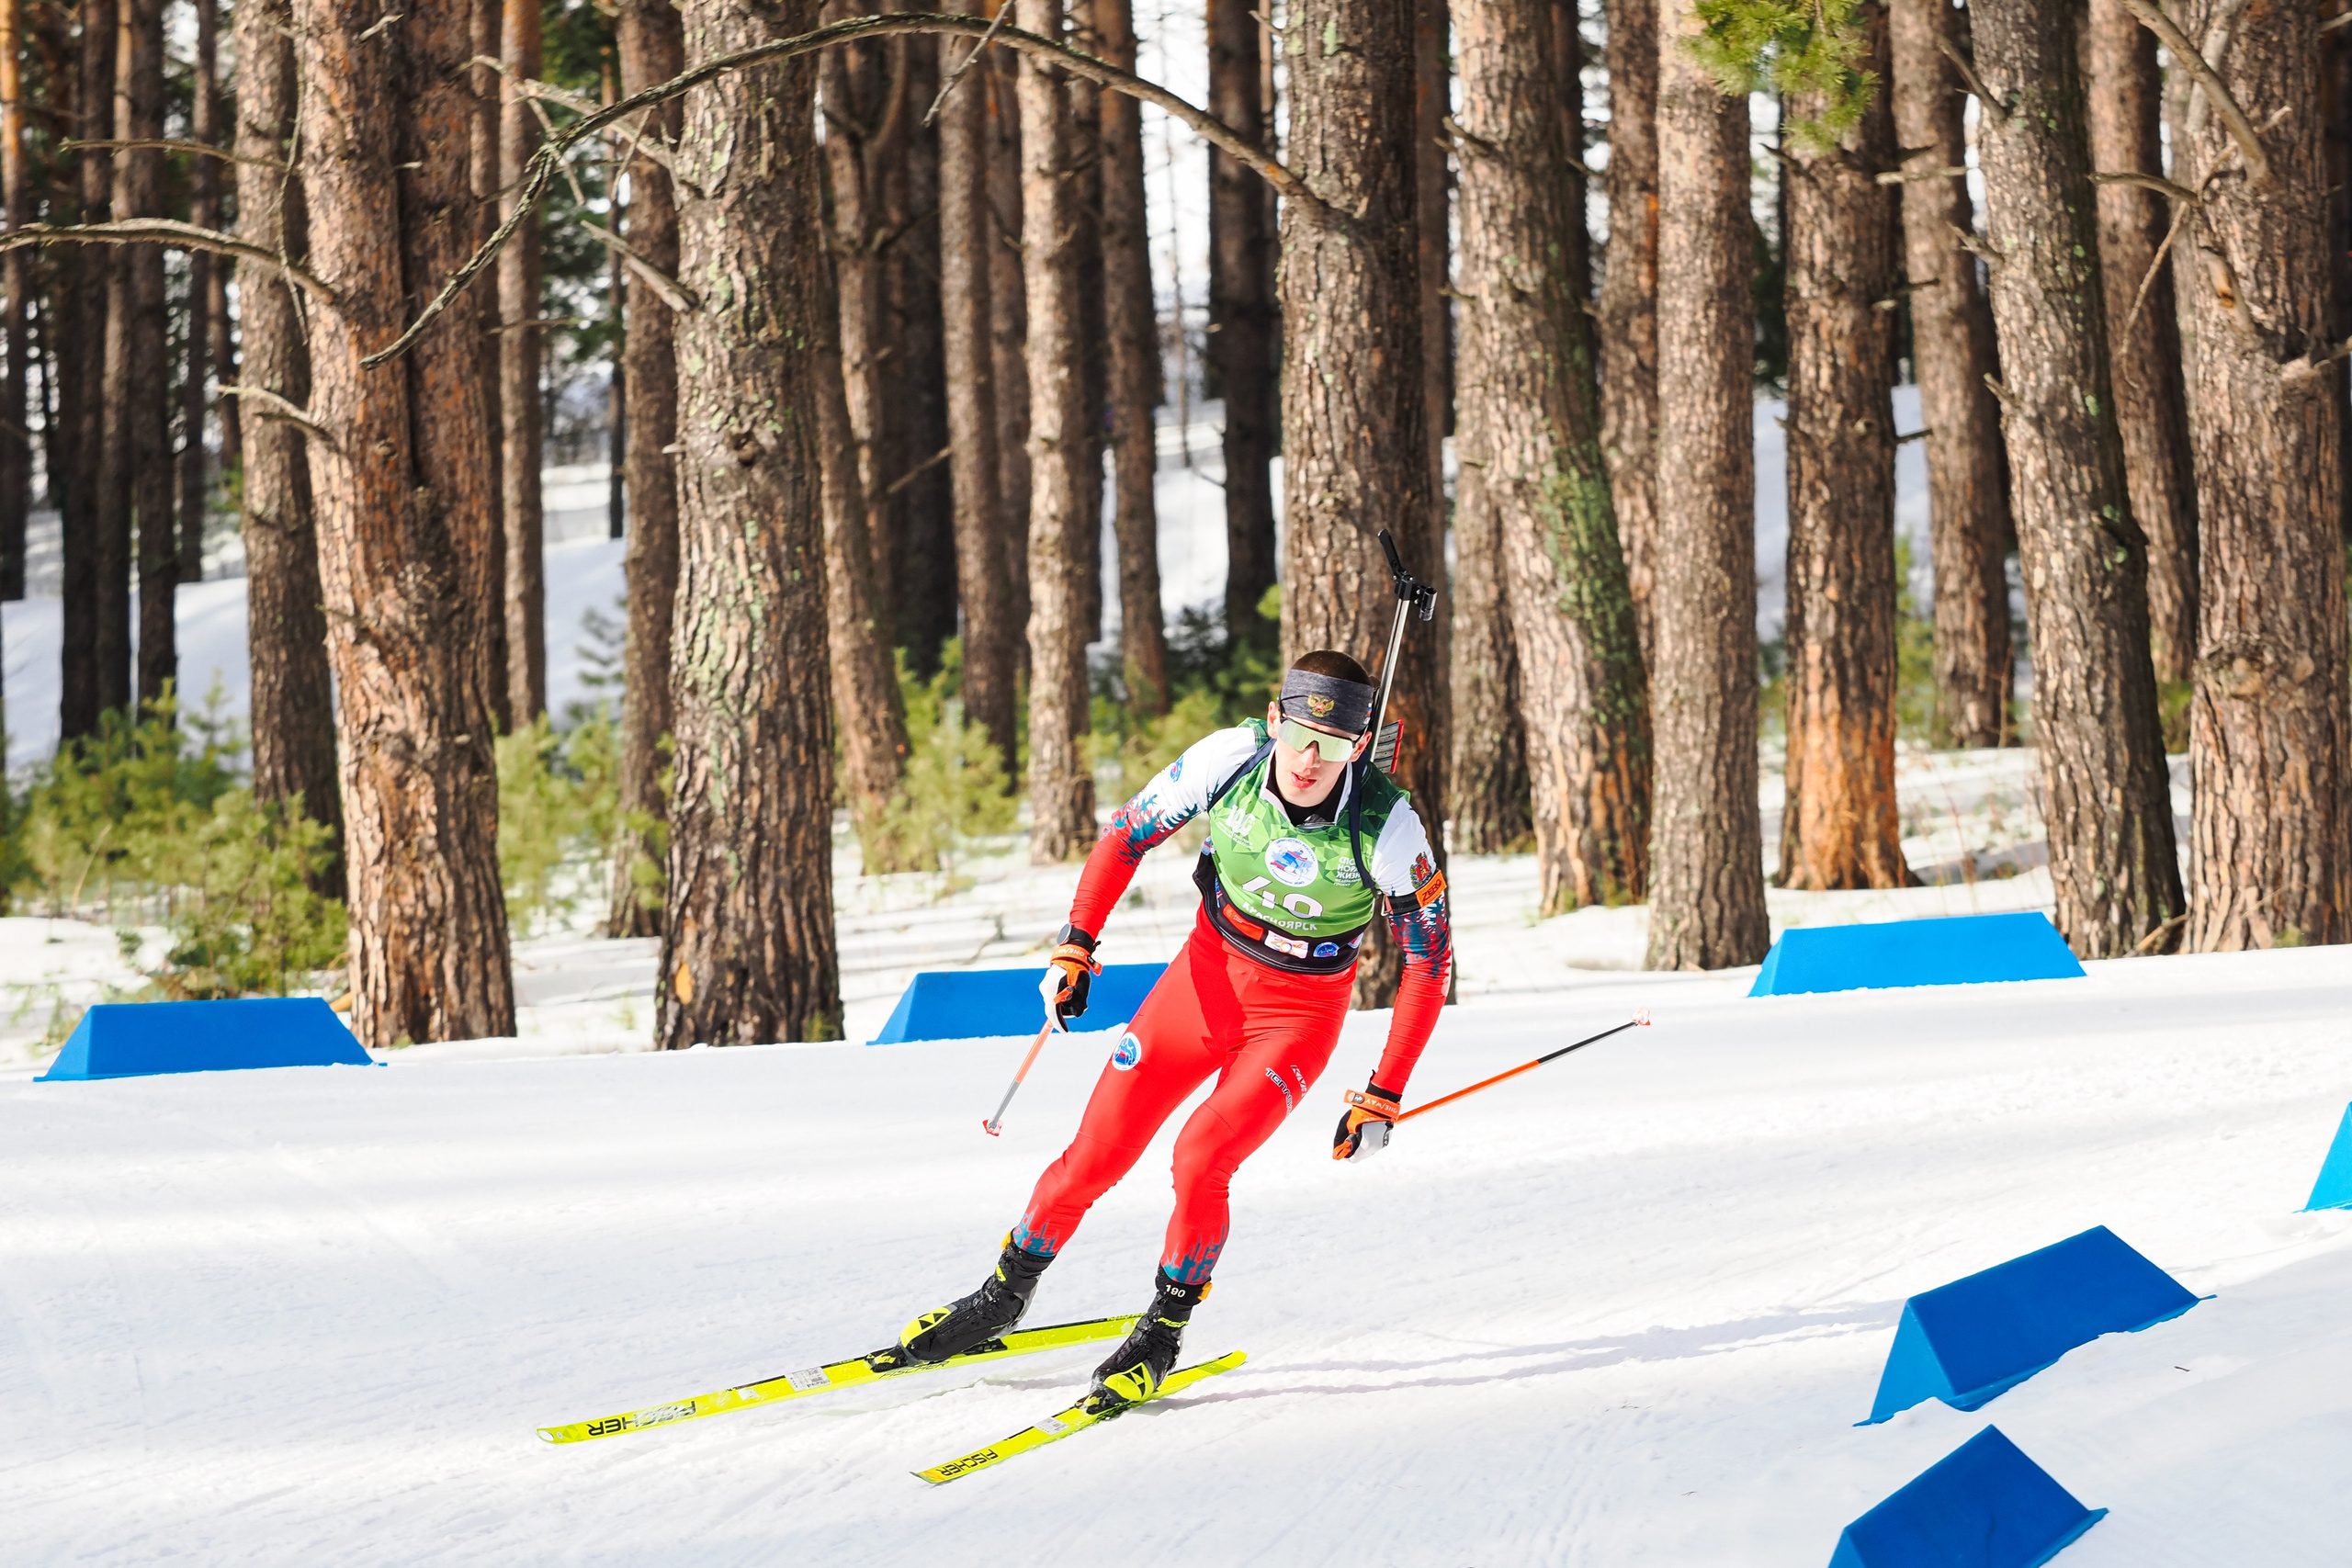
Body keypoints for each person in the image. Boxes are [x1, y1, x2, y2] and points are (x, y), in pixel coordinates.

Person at [894, 649, 1454, 1406]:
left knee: (1200, 1157)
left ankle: (1163, 1326)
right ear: (1273, 721)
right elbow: (1125, 835)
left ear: (1360, 745)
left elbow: (1429, 961)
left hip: (1296, 1017)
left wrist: (1383, 1093)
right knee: (1095, 1152)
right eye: (1297, 738)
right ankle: (1003, 1294)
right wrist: (1077, 945)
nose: (1309, 761)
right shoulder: (1228, 760)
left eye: (1332, 746)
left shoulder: (1388, 823)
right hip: (1201, 980)